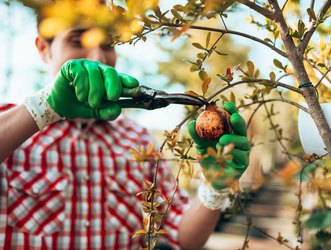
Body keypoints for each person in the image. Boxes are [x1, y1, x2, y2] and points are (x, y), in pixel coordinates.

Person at [0, 3, 251, 250]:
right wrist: (44, 108)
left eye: (108, 45)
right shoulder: (12, 126)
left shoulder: (139, 141)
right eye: (77, 41)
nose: (98, 57)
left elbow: (184, 237)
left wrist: (215, 185)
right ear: (43, 48)